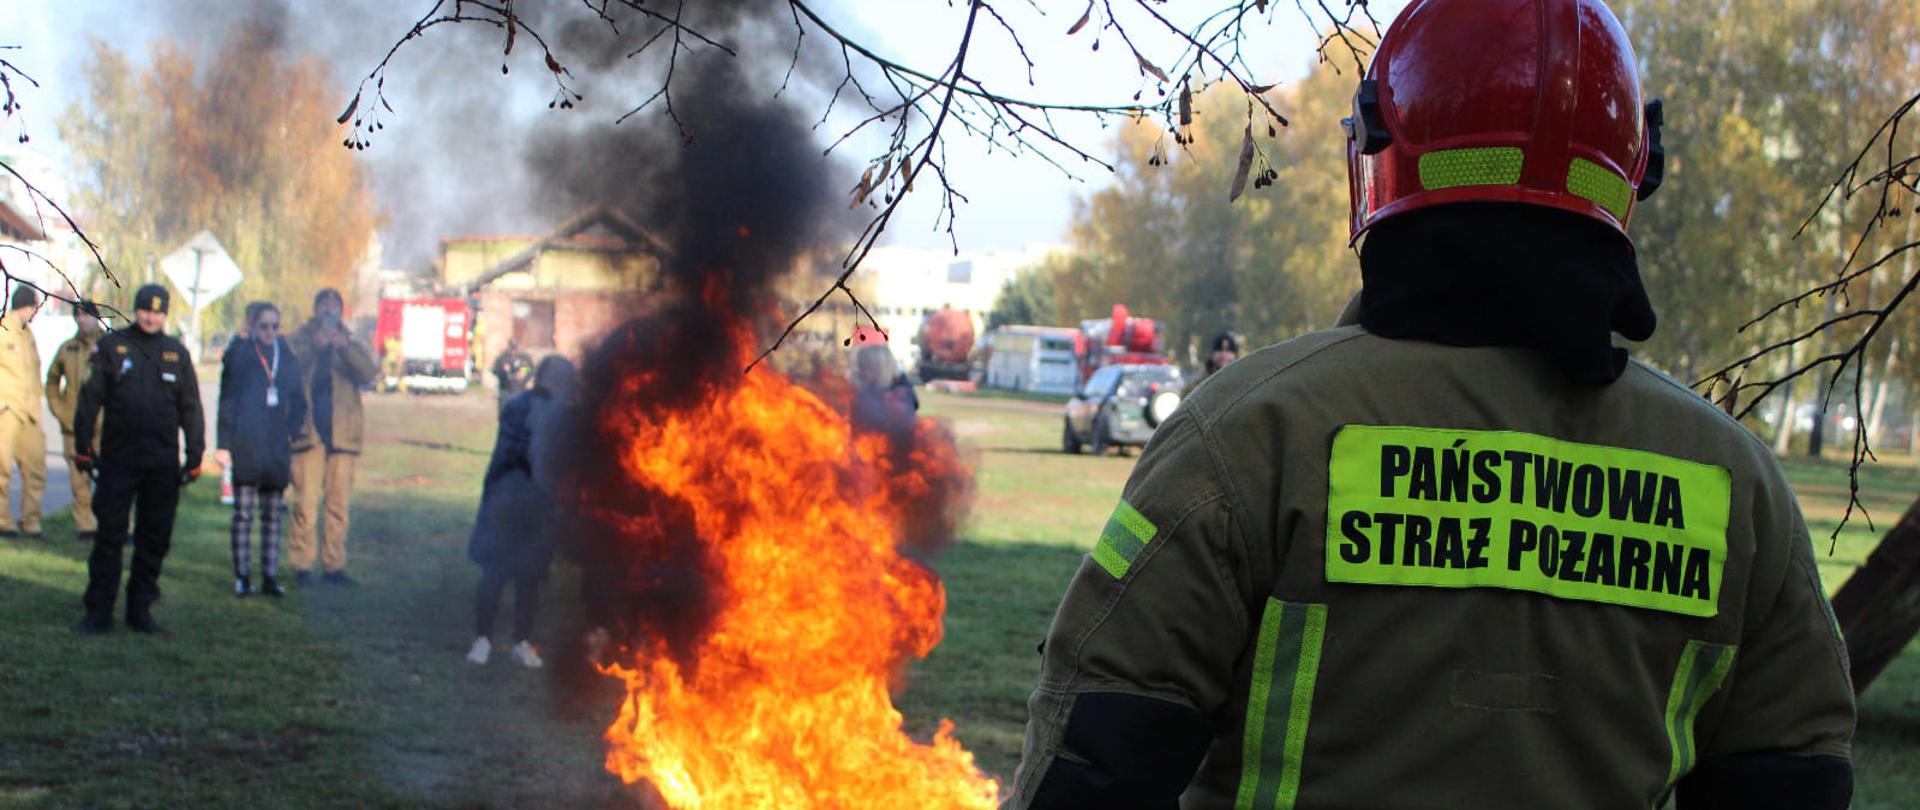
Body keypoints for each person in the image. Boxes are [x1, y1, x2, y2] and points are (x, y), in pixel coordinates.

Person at [1008, 2, 1856, 808]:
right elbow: (1797, 773)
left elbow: (1095, 762)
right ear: (1634, 174)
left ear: (1379, 144)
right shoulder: (1734, 479)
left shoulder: (1248, 432)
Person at [72, 284, 204, 635]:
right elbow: (89, 399)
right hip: (119, 460)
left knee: (154, 540)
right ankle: (99, 612)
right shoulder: (113, 345)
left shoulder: (176, 353)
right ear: (137, 310)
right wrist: (83, 446)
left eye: (158, 312)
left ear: (165, 315)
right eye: (145, 310)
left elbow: (190, 407)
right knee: (110, 537)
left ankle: (140, 609)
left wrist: (195, 453)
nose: (151, 316)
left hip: (161, 464)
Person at [466, 354, 575, 669]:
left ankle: (521, 641)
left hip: (539, 509)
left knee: (530, 578)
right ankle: (482, 639)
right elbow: (519, 455)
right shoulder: (518, 408)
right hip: (507, 504)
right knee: (495, 573)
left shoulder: (564, 415)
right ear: (549, 379)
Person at [288, 288, 378, 586]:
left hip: (343, 434)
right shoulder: (301, 338)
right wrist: (316, 345)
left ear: (342, 311)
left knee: (338, 504)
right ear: (315, 310)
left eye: (334, 308)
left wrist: (344, 346)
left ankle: (333, 565)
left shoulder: (350, 340)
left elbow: (368, 373)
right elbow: (288, 366)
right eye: (324, 307)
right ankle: (302, 564)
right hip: (308, 431)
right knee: (305, 502)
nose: (329, 313)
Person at [217, 302, 307, 598]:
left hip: (276, 445)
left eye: (274, 326)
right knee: (243, 514)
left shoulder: (286, 356)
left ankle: (270, 575)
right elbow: (227, 400)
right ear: (253, 327)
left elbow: (299, 398)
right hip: (247, 442)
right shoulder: (241, 354)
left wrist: (292, 430)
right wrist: (223, 443)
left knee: (272, 514)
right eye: (263, 326)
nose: (269, 332)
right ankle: (242, 576)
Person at [47, 299, 105, 541]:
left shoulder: (110, 345)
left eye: (86, 315)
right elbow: (52, 382)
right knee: (78, 479)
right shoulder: (67, 348)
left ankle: (118, 524)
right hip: (73, 425)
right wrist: (61, 412)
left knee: (112, 477)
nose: (82, 320)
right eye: (78, 316)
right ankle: (86, 526)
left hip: (105, 425)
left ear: (96, 317)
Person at [0, 285, 46, 538]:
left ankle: (31, 522)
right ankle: (2, 521)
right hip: (7, 408)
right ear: (26, 306)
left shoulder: (28, 335)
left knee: (36, 468)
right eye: (35, 308)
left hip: (30, 412)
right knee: (2, 468)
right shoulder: (3, 328)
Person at [1180, 330, 1240, 399]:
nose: (1223, 355)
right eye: (1219, 350)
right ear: (1212, 354)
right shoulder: (1197, 383)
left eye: (1228, 351)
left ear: (1235, 355)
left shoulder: (1242, 381)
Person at [491, 337, 533, 409]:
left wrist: (522, 372)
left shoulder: (523, 357)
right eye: (511, 348)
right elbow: (495, 370)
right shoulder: (502, 357)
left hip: (520, 389)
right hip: (506, 390)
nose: (513, 351)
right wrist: (504, 371)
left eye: (515, 348)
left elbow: (530, 367)